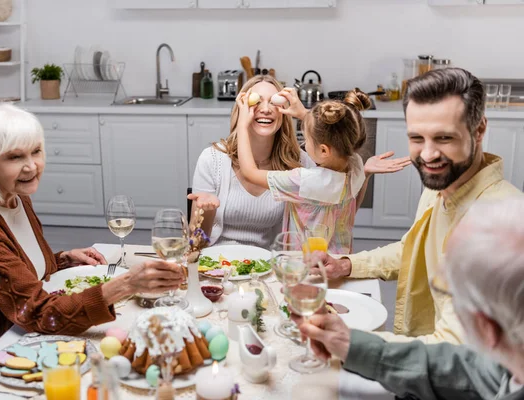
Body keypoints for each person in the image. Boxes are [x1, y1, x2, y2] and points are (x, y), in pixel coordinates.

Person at [0, 104, 185, 383]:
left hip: (22, 341)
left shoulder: (13, 196)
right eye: (15, 157)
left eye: (36, 151)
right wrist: (126, 284)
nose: (32, 166)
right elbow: (39, 314)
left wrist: (62, 259)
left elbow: (17, 271)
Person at [310, 68, 522, 343]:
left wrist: (351, 344)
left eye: (444, 138)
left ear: (479, 129)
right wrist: (346, 264)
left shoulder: (503, 226)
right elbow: (412, 250)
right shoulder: (442, 185)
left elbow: (454, 351)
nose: (429, 155)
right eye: (417, 138)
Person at [295, 197, 524, 400]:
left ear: (486, 329)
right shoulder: (510, 364)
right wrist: (351, 345)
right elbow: (467, 370)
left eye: (446, 290)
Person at [190, 75, 408, 250]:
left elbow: (338, 204)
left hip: (274, 267)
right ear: (241, 108)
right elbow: (195, 243)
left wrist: (242, 127)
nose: (265, 108)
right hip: (219, 265)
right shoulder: (213, 160)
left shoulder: (302, 164)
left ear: (284, 112)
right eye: (255, 101)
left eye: (273, 101)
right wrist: (206, 211)